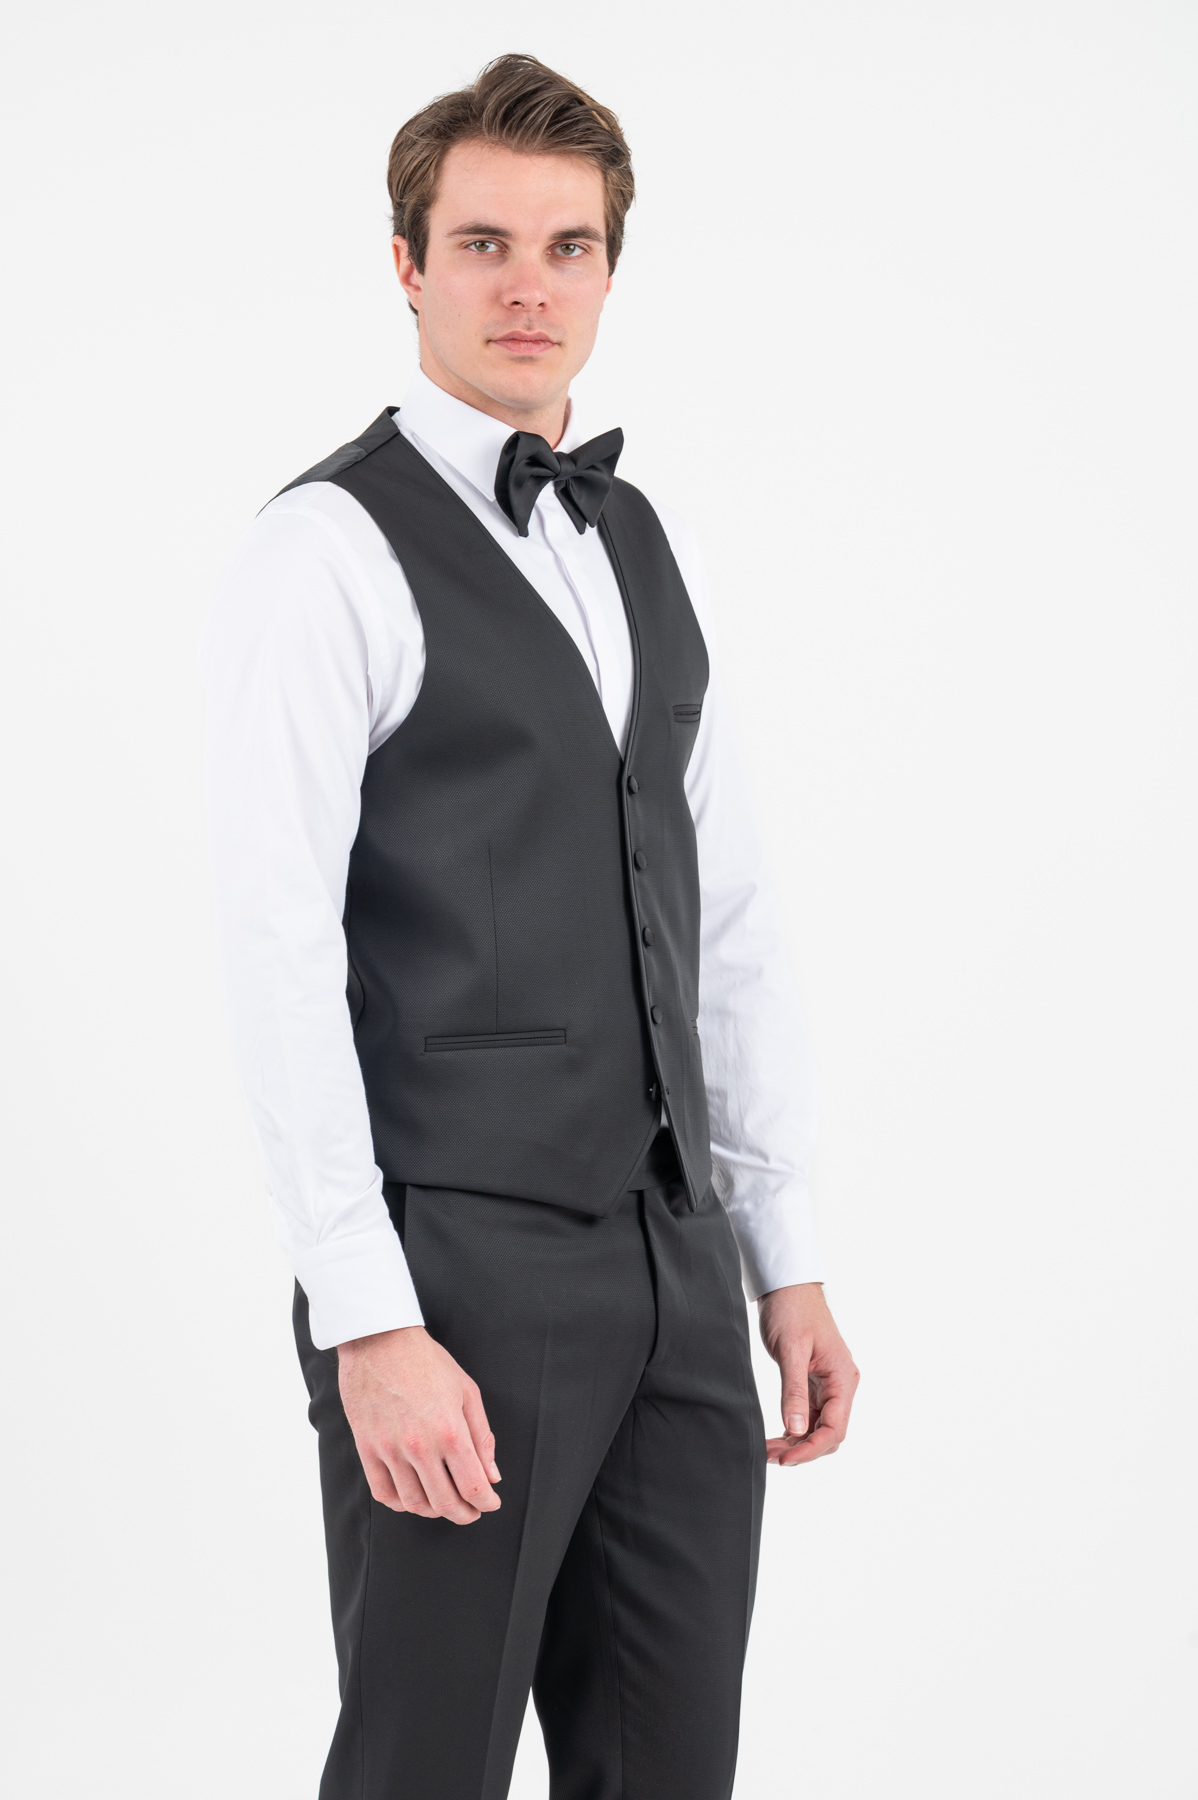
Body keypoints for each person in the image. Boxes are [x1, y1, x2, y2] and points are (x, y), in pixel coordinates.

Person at [203, 51, 859, 1800]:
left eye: (568, 247)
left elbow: (725, 915)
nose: (526, 285)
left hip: (673, 1260)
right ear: (405, 264)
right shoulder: (325, 550)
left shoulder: (640, 538)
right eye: (482, 242)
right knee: (424, 1763)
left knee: (669, 1769)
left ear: (608, 272)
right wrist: (368, 1318)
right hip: (456, 1268)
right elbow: (274, 947)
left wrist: (778, 1253)